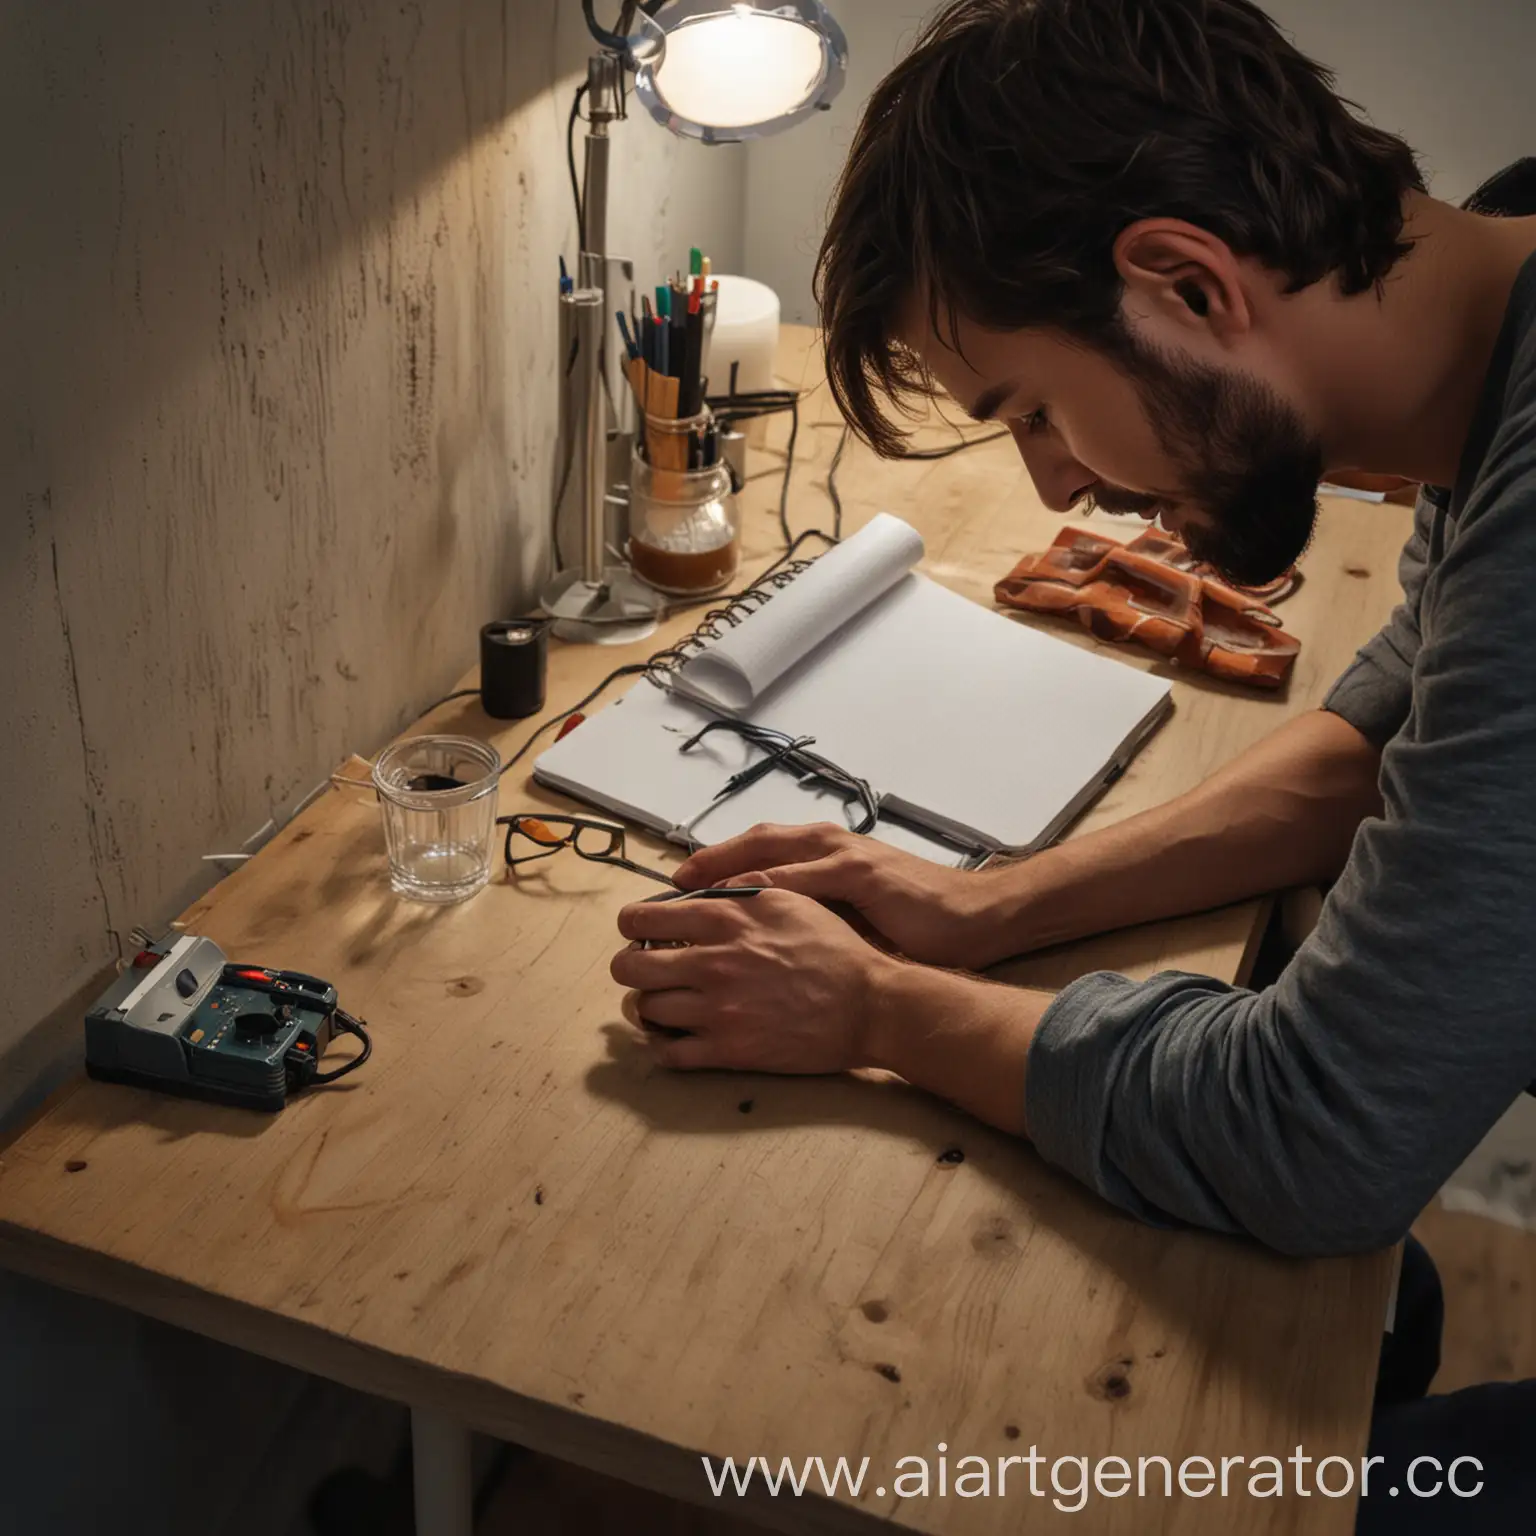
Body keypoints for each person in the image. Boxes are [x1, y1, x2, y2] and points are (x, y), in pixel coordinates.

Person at [608, 1, 1536, 1523]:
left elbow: (1315, 1132)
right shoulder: (1496, 294)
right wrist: (989, 907)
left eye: (1036, 410)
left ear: (1186, 282)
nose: (1062, 487)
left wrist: (881, 1008)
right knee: (1369, 1309)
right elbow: (1375, 750)